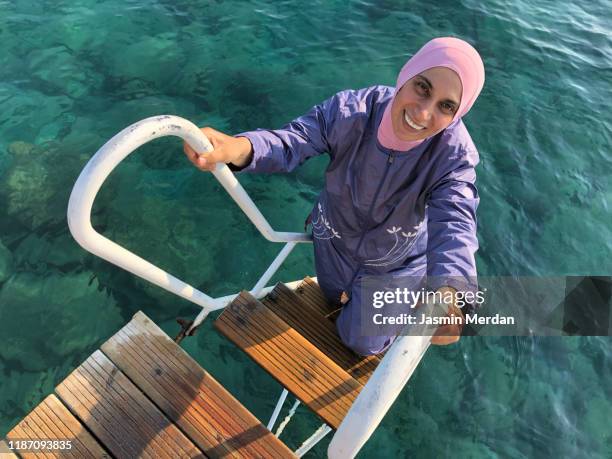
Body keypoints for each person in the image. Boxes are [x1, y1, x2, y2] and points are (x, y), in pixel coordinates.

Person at [183, 37, 485, 355]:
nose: (423, 113)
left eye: (446, 106)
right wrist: (239, 147)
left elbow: (456, 221)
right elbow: (294, 140)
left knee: (363, 344)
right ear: (407, 73)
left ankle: (403, 307)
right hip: (333, 238)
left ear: (458, 113)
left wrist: (454, 291)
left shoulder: (454, 157)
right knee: (330, 295)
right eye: (422, 87)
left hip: (394, 265)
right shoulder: (351, 112)